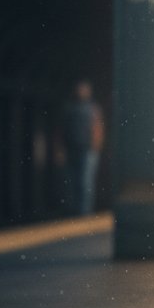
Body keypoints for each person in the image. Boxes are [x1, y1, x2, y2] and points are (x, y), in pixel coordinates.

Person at [63, 79, 105, 215]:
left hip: (88, 150)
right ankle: (74, 210)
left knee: (85, 180)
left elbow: (98, 128)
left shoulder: (93, 109)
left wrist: (96, 146)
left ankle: (85, 211)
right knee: (73, 180)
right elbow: (63, 129)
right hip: (72, 148)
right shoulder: (69, 108)